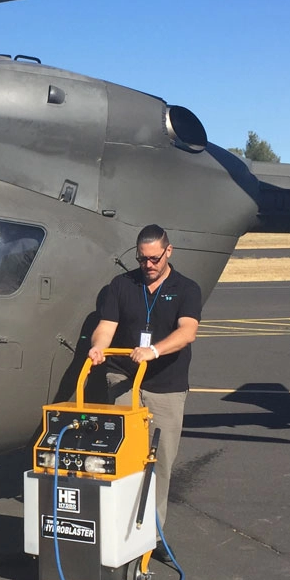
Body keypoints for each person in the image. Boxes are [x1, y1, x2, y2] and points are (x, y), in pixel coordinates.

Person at [87, 225, 201, 562]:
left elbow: (187, 332)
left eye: (154, 258)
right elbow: (106, 327)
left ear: (169, 252)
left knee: (160, 463)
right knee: (124, 459)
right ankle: (120, 531)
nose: (148, 265)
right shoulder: (122, 286)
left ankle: (153, 533)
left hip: (165, 384)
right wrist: (97, 348)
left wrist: (154, 351)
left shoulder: (186, 288)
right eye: (142, 258)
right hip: (124, 380)